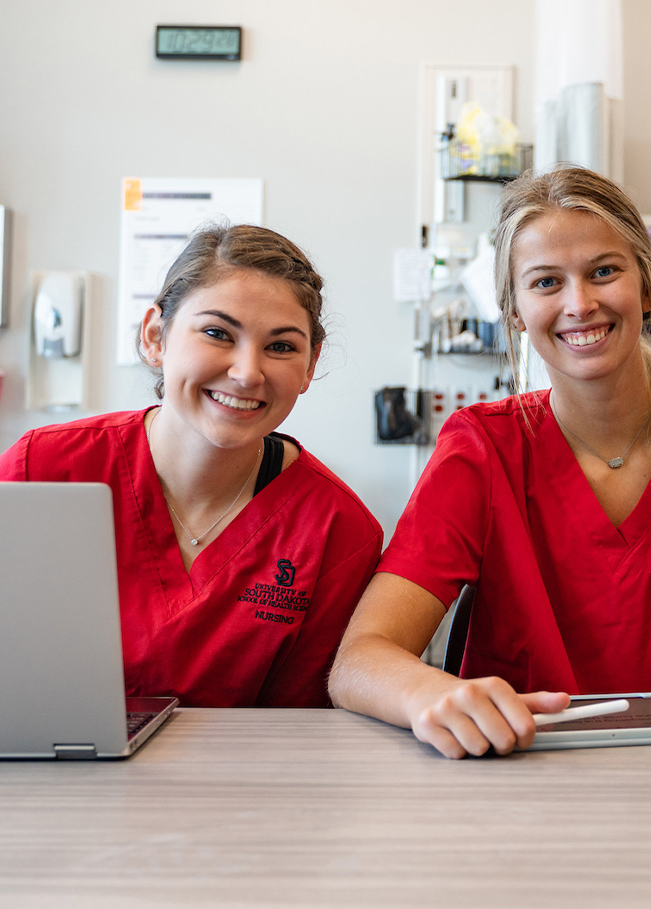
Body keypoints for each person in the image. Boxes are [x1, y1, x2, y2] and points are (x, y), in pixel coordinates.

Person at [330, 165, 651, 758]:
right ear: (514, 311)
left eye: (603, 272)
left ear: (647, 287)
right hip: (521, 780)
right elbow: (359, 661)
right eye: (545, 282)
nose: (580, 303)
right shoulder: (481, 451)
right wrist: (428, 694)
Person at [0, 225, 382, 707]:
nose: (247, 372)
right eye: (217, 333)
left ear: (310, 366)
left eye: (281, 346)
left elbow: (301, 731)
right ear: (155, 336)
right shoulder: (44, 467)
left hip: (231, 781)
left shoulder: (337, 531)